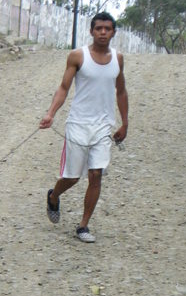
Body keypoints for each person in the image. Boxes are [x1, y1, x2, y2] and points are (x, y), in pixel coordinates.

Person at [38, 12, 128, 242]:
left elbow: (121, 91)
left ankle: (83, 226)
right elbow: (64, 87)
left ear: (113, 32)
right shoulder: (78, 56)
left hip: (103, 127)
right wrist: (51, 114)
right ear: (91, 31)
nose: (103, 32)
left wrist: (125, 122)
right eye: (99, 28)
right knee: (72, 177)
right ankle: (54, 195)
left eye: (108, 29)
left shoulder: (118, 59)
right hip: (78, 124)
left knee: (96, 175)